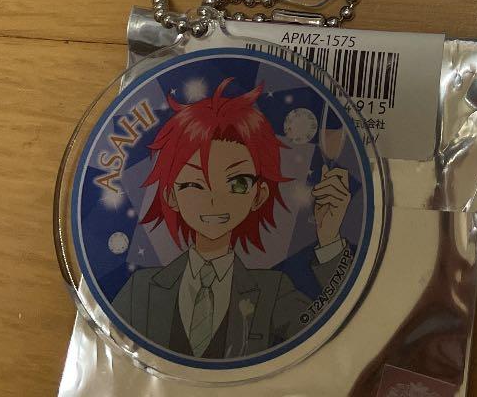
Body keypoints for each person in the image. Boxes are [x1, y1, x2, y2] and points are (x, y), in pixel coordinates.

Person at [111, 80, 353, 360]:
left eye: (237, 183)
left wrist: (330, 239)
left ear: (259, 194)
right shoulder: (141, 289)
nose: (215, 200)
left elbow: (333, 336)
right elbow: (111, 349)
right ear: (170, 195)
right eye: (194, 184)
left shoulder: (273, 290)